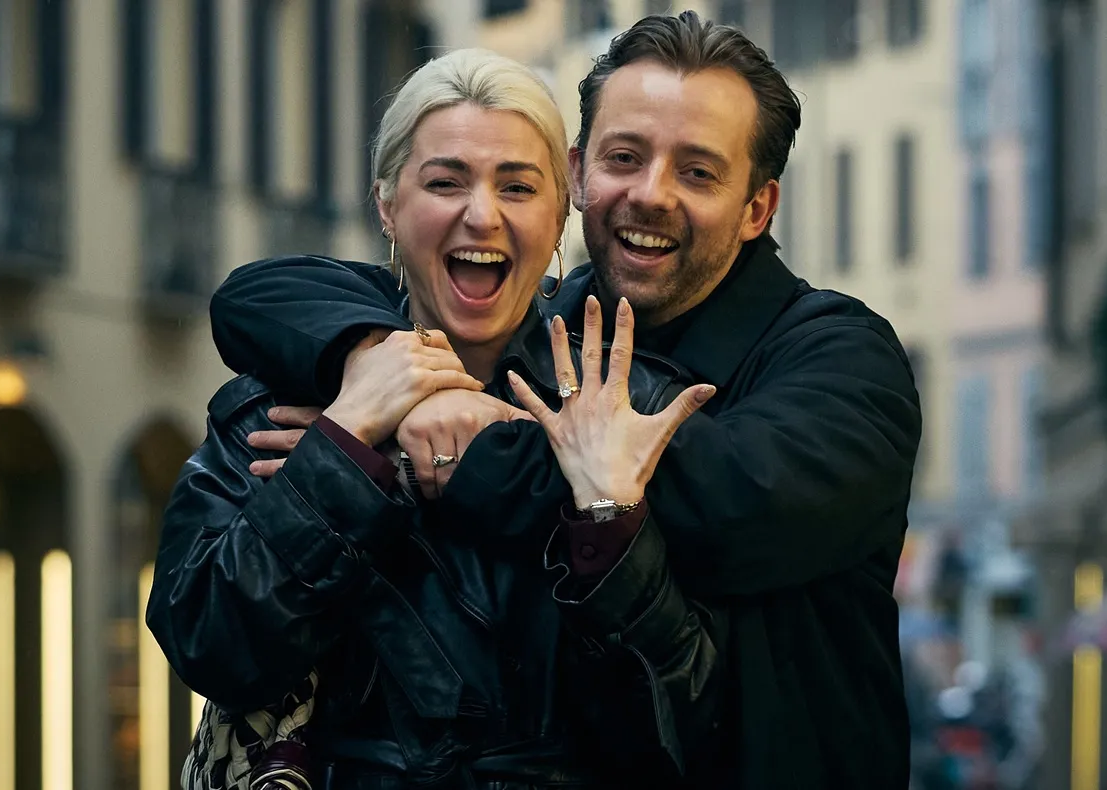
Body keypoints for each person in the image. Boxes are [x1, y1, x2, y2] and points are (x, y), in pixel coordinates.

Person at [209, 11, 923, 790]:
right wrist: (386, 367)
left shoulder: (842, 358)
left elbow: (719, 508)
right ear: (579, 177)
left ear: (758, 207)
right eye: (626, 157)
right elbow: (260, 295)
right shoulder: (533, 323)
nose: (651, 195)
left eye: (698, 172)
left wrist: (443, 451)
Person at [148, 47, 723, 790]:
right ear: (387, 204)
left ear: (559, 216)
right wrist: (347, 443)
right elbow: (210, 645)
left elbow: (696, 717)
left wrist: (604, 521)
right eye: (445, 182)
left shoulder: (633, 400)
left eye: (517, 186)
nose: (480, 213)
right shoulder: (273, 404)